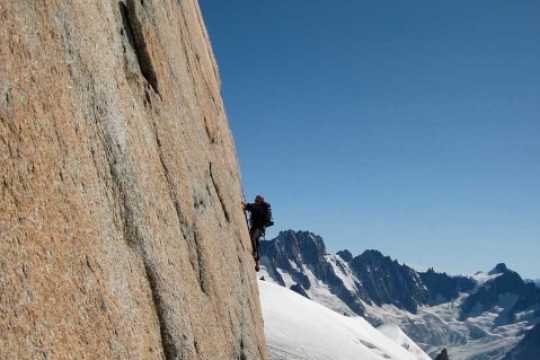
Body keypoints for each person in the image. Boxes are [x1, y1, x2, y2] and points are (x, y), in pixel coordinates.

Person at [242, 195, 272, 271]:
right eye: (255, 200)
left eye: (257, 201)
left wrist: (246, 205)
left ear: (261, 202)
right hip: (256, 227)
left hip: (259, 228)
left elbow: (256, 210)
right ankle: (257, 264)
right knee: (256, 242)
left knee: (252, 237)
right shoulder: (257, 206)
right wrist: (247, 206)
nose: (256, 202)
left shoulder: (261, 208)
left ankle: (254, 252)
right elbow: (253, 207)